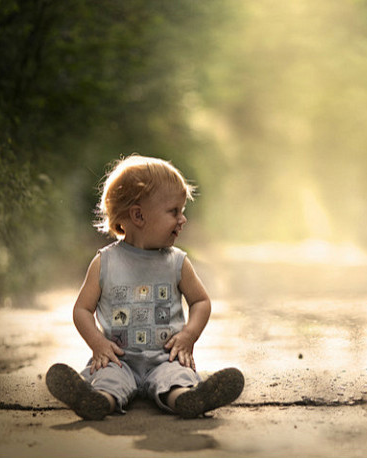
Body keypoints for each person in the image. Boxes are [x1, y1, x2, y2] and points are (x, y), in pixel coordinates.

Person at [45, 155, 244, 420]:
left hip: (165, 359)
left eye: (182, 211)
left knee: (175, 378)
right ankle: (96, 401)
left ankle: (188, 399)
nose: (182, 219)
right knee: (108, 380)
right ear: (138, 215)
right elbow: (82, 309)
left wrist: (189, 335)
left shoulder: (177, 262)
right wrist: (97, 344)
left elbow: (201, 302)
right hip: (118, 360)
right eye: (174, 211)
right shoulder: (105, 262)